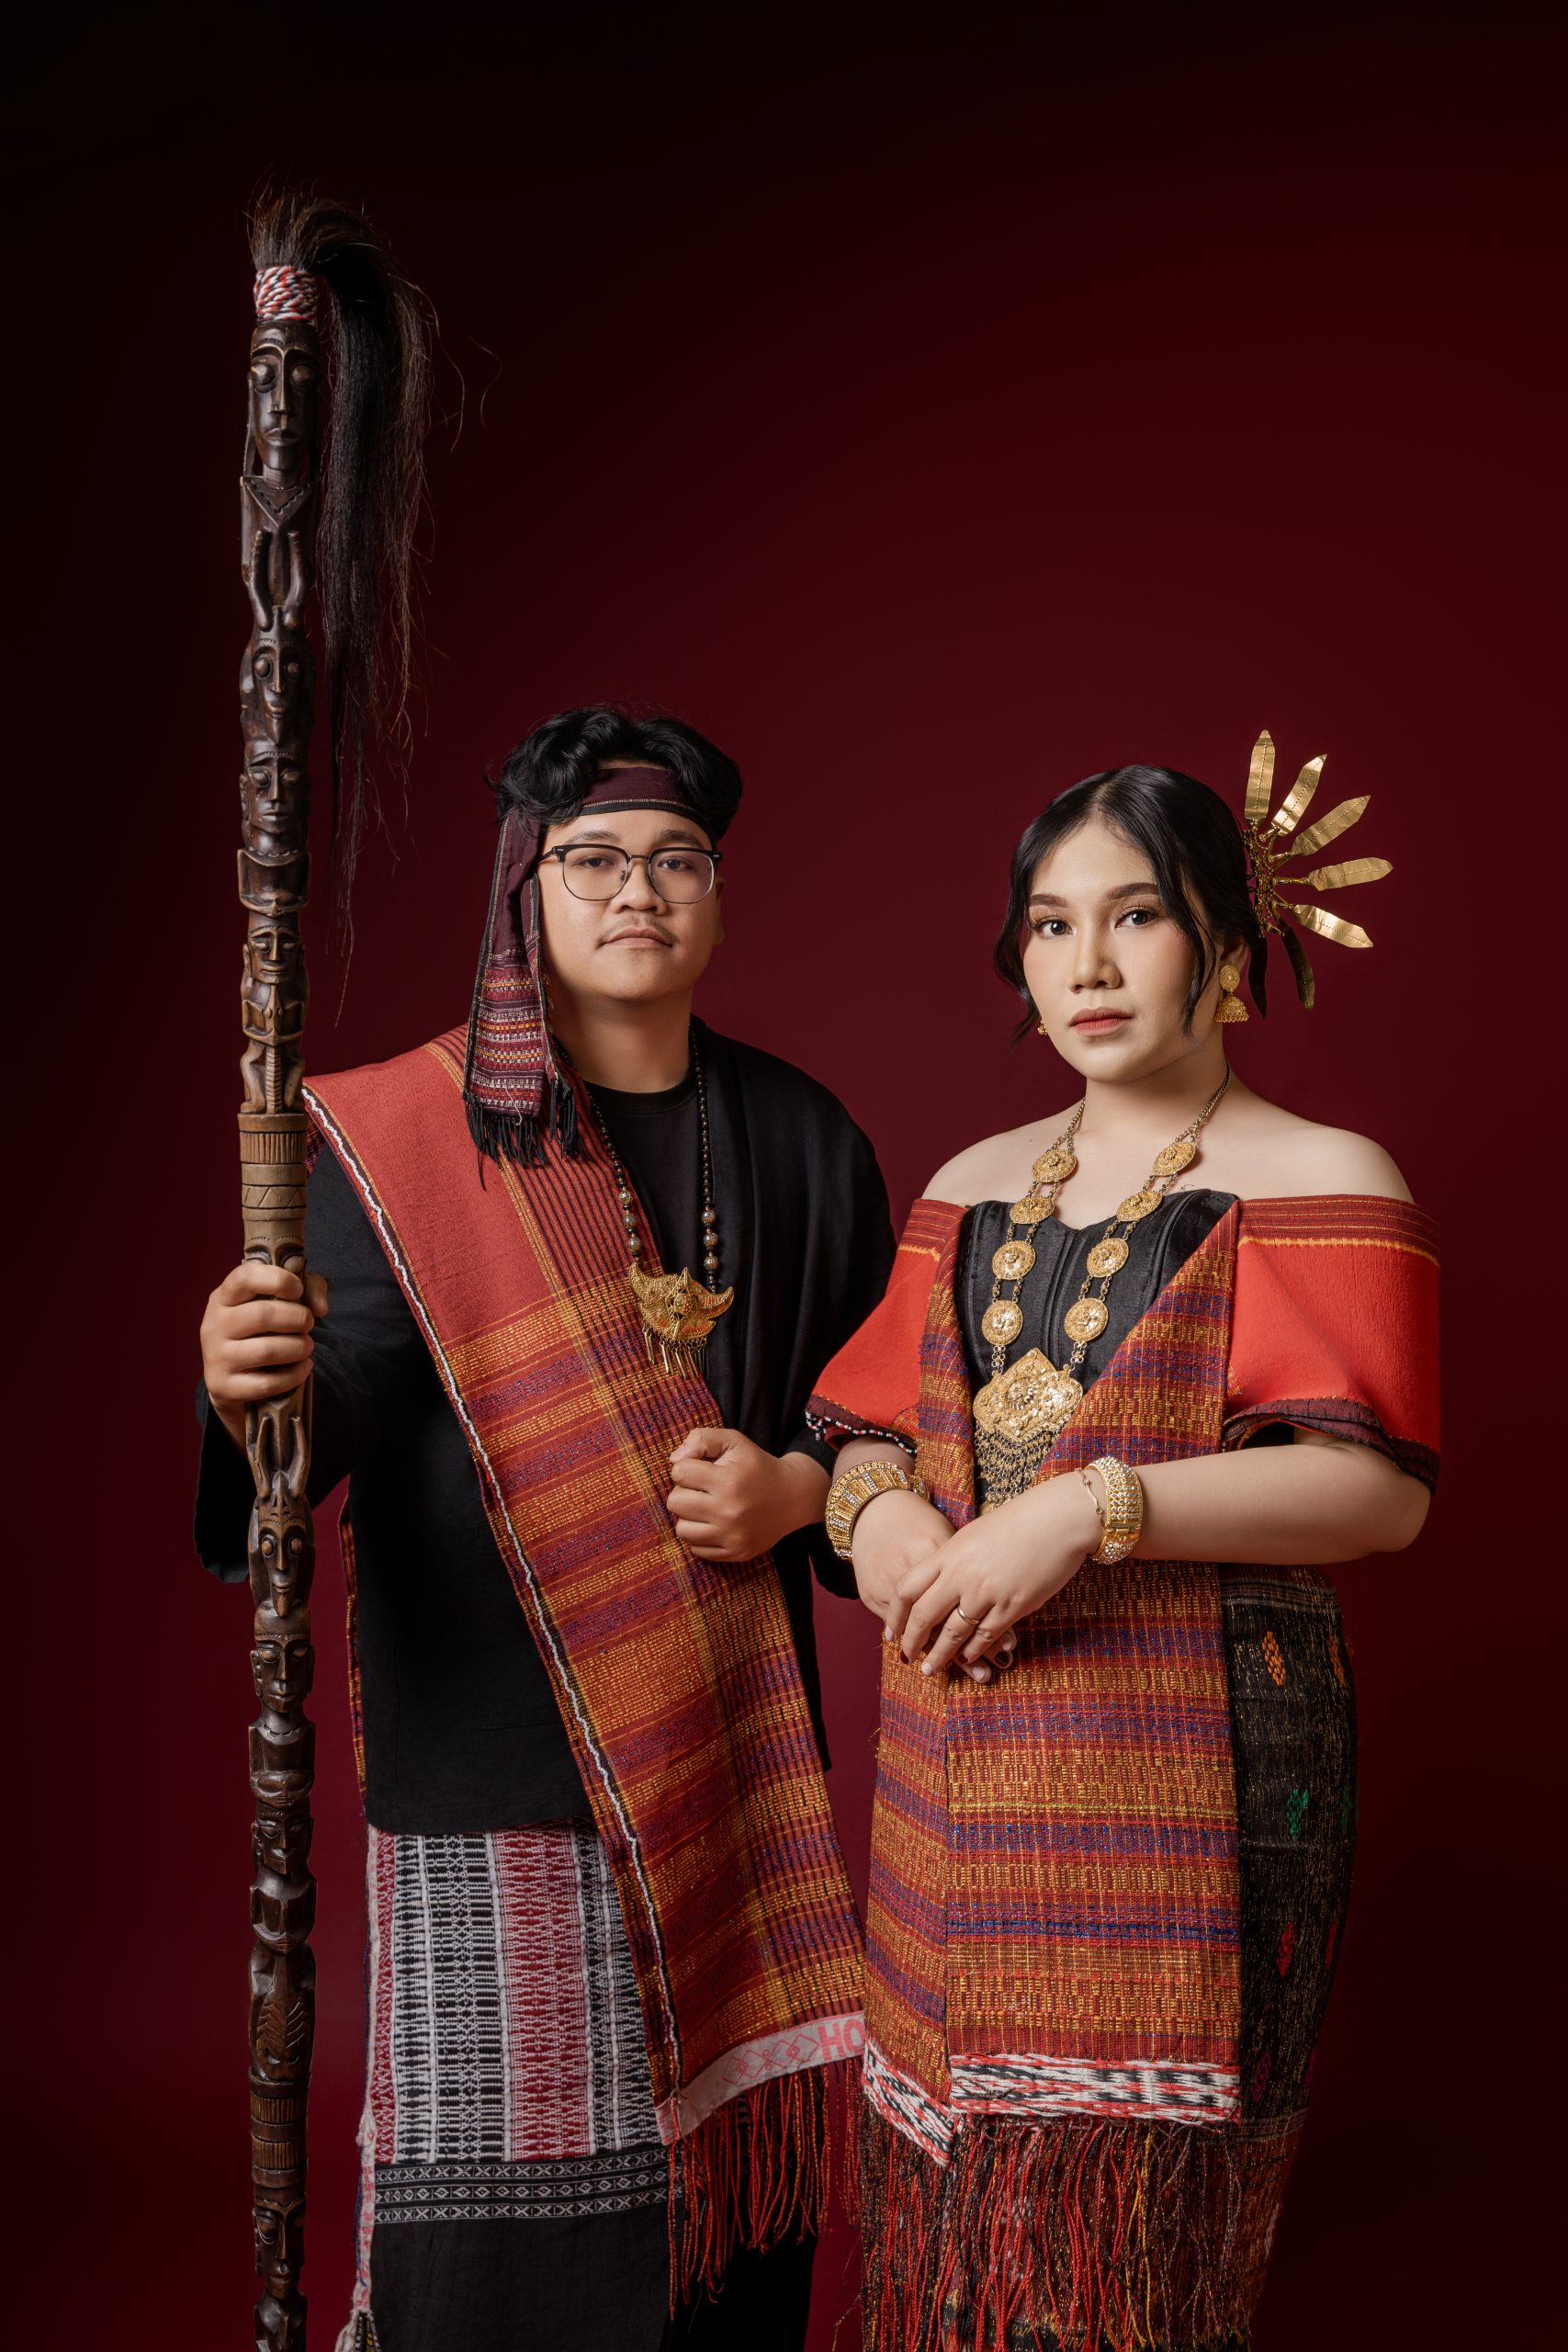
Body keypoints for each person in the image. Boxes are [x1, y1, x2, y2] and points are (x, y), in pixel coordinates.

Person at [196, 705, 894, 2352]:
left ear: (717, 894)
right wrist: (250, 1384)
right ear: (525, 890)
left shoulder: (806, 1138)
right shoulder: (402, 1142)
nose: (638, 891)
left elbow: (889, 1424)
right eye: (592, 860)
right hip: (488, 1755)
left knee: (724, 2247)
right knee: (499, 2260)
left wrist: (798, 1490)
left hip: (726, 1748)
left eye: (676, 860)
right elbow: (335, 1407)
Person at [807, 739, 1438, 2350]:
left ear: (1226, 941)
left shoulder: (1324, 1180)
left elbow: (1377, 1494)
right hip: (955, 1782)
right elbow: (861, 1436)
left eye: (1136, 916)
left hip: (1213, 1763)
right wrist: (883, 1528)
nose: (1086, 963)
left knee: (1140, 2264)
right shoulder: (966, 1187)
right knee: (954, 2249)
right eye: (1049, 923)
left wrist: (1086, 1511)